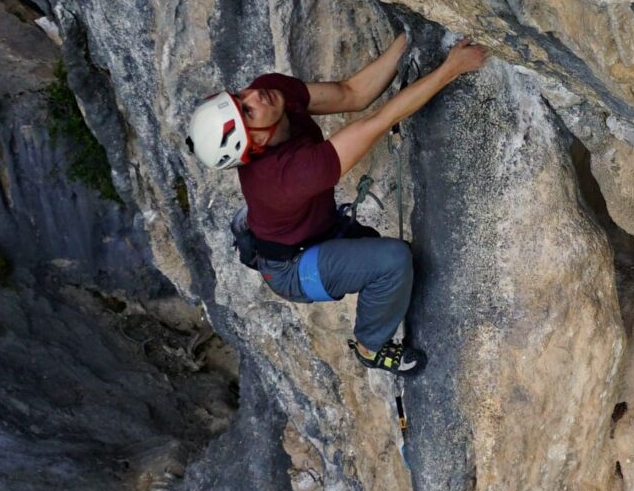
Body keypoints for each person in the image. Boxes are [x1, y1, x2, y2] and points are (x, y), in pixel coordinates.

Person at [184, 33, 488, 374]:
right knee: (393, 261)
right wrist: (453, 68)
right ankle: (371, 347)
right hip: (291, 268)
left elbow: (351, 93)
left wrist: (408, 38)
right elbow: (378, 122)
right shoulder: (287, 176)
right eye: (247, 111)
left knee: (388, 263)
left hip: (314, 230)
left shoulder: (273, 94)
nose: (254, 94)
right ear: (254, 141)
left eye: (239, 96)